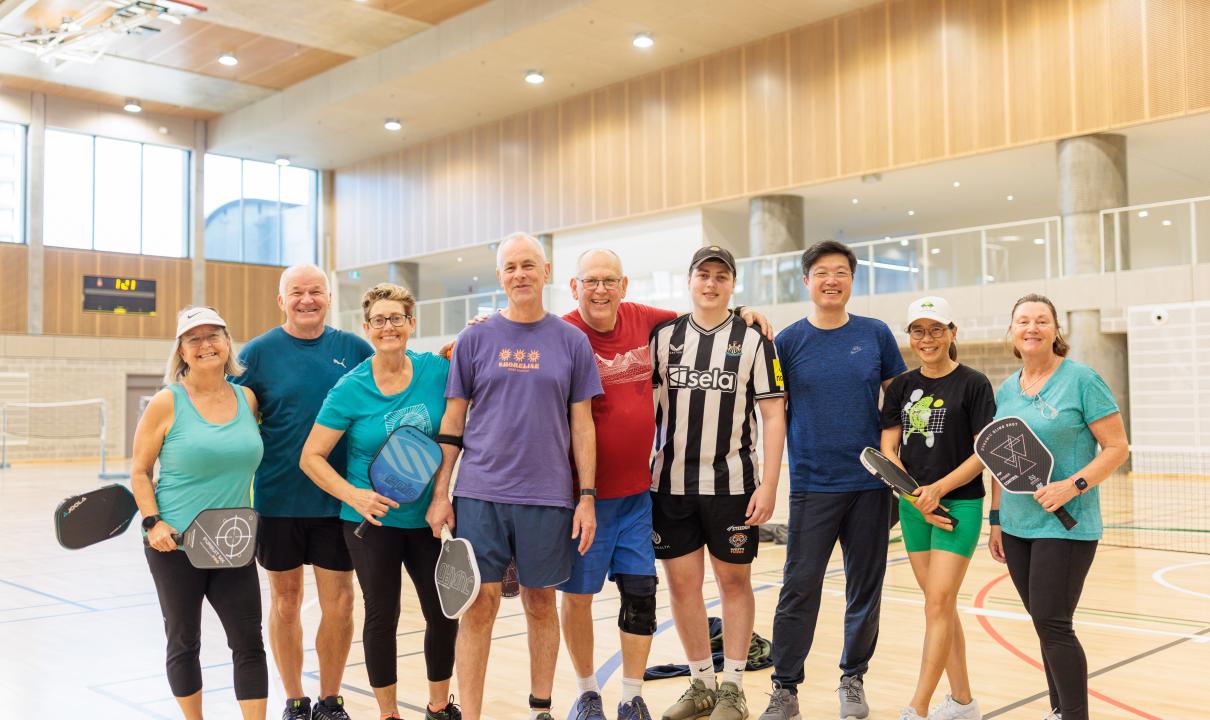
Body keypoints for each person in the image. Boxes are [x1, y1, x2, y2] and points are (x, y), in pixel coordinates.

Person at [559, 248, 774, 720]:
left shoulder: (649, 323)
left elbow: (706, 314)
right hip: (594, 497)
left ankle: (657, 694)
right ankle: (595, 692)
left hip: (651, 493)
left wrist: (742, 313)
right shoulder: (560, 332)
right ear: (574, 286)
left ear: (624, 285)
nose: (600, 289)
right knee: (586, 597)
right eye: (590, 281)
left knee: (647, 596)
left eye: (609, 281)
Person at [425, 232, 603, 720]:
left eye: (529, 265)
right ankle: (474, 713)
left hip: (548, 498)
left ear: (546, 272)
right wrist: (442, 492)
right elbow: (453, 422)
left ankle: (540, 708)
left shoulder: (571, 341)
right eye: (510, 267)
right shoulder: (475, 339)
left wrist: (586, 496)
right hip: (480, 495)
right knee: (479, 606)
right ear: (500, 277)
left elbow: (583, 424)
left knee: (541, 602)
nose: (520, 274)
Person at [759, 240, 907, 720]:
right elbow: (773, 414)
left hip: (869, 487)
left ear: (851, 280)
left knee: (866, 587)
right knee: (799, 587)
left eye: (840, 272)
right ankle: (785, 687)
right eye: (821, 272)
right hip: (812, 486)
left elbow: (897, 406)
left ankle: (852, 678)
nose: (831, 280)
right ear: (807, 281)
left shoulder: (876, 334)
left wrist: (898, 469)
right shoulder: (788, 342)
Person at [300, 283, 460, 720]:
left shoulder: (437, 371)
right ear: (366, 327)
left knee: (443, 612)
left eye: (396, 318)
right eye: (378, 320)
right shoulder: (349, 389)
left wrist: (474, 331)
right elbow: (310, 457)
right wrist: (354, 495)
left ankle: (439, 706)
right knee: (381, 616)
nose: (387, 326)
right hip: (369, 522)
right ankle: (389, 714)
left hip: (425, 518)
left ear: (411, 324)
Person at [650, 245, 786, 720]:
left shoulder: (754, 338)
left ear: (732, 284)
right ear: (689, 281)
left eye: (721, 276)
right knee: (682, 585)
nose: (711, 283)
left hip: (733, 486)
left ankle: (732, 687)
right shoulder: (662, 337)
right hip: (669, 486)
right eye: (703, 275)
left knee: (733, 581)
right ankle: (700, 684)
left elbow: (772, 415)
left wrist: (769, 485)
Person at [232, 264, 372, 720]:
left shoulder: (355, 349)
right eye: (297, 292)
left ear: (330, 297)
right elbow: (226, 416)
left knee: (341, 603)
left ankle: (330, 700)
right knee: (286, 602)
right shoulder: (256, 354)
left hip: (340, 501)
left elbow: (395, 386)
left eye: (316, 291)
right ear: (281, 300)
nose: (307, 300)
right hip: (278, 501)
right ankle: (294, 700)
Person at [988, 294, 1128, 720]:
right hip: (1015, 526)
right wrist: (995, 519)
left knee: (1053, 624)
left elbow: (1117, 447)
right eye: (1023, 321)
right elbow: (1000, 458)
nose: (1032, 328)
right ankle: (1057, 709)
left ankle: (1073, 715)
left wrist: (1073, 484)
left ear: (1055, 331)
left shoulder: (1082, 379)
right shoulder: (1008, 388)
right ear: (1012, 331)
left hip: (1066, 525)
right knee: (1044, 625)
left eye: (1041, 321)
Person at [130, 306, 267, 720]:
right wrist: (153, 522)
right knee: (184, 641)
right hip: (175, 545)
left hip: (231, 542)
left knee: (248, 642)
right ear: (182, 351)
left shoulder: (247, 398)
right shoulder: (165, 402)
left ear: (227, 344)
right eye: (195, 338)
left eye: (214, 336)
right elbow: (139, 470)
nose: (205, 344)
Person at [878, 297, 995, 720]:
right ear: (909, 337)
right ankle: (963, 702)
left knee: (937, 604)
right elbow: (889, 446)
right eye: (917, 331)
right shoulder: (903, 386)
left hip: (957, 506)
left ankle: (918, 706)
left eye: (935, 329)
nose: (926, 339)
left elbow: (984, 453)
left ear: (952, 332)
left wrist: (938, 491)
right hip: (913, 508)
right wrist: (914, 496)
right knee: (939, 605)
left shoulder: (975, 384)